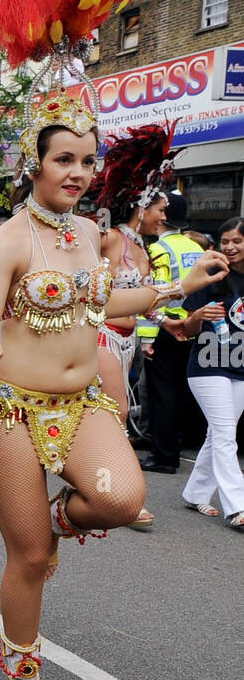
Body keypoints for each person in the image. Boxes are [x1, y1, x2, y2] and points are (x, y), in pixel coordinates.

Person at [0, 0, 226, 680]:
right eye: (63, 160)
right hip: (6, 406)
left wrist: (180, 287)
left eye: (86, 160)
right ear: (34, 165)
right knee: (30, 559)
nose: (77, 171)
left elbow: (111, 304)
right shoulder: (9, 239)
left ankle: (53, 526)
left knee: (115, 497)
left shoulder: (93, 236)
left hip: (80, 401)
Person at [91, 123, 182, 530]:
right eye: (161, 209)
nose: (164, 216)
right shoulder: (109, 237)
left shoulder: (142, 248)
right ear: (142, 205)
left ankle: (94, 484)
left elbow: (144, 300)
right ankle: (126, 498)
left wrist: (169, 323)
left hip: (128, 343)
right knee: (119, 414)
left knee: (101, 416)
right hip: (101, 336)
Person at [179, 217, 244, 529]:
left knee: (217, 434)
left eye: (237, 241)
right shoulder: (211, 276)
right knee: (225, 434)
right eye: (225, 241)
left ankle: (195, 493)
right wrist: (199, 316)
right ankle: (238, 507)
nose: (230, 247)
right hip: (208, 366)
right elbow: (186, 329)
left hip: (241, 369)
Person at [139, 191, 205, 474]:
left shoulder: (158, 250)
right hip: (194, 327)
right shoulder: (196, 248)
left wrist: (147, 338)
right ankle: (184, 442)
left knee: (162, 395)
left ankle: (164, 456)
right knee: (185, 391)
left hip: (167, 328)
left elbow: (155, 296)